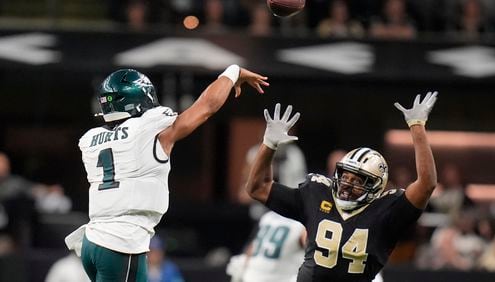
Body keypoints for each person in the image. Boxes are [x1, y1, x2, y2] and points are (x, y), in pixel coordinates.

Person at [65, 65, 268, 282]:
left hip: (93, 240)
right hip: (120, 242)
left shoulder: (91, 139)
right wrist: (231, 73)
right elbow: (206, 107)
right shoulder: (148, 130)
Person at [246, 91, 438, 281]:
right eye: (345, 176)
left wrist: (417, 126)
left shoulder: (386, 211)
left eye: (356, 180)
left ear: (375, 185)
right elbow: (257, 187)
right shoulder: (317, 194)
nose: (347, 184)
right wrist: (269, 144)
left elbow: (427, 184)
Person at [227, 210, 307, 282]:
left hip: (250, 277)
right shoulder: (303, 222)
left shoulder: (269, 216)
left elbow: (252, 248)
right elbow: (314, 254)